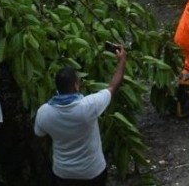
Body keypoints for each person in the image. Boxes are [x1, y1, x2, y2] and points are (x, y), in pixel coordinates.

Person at [35, 48, 128, 185]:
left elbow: (40, 135)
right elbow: (113, 87)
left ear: (57, 89)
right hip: (92, 173)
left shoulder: (44, 113)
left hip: (63, 174)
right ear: (76, 85)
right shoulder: (88, 106)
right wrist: (122, 60)